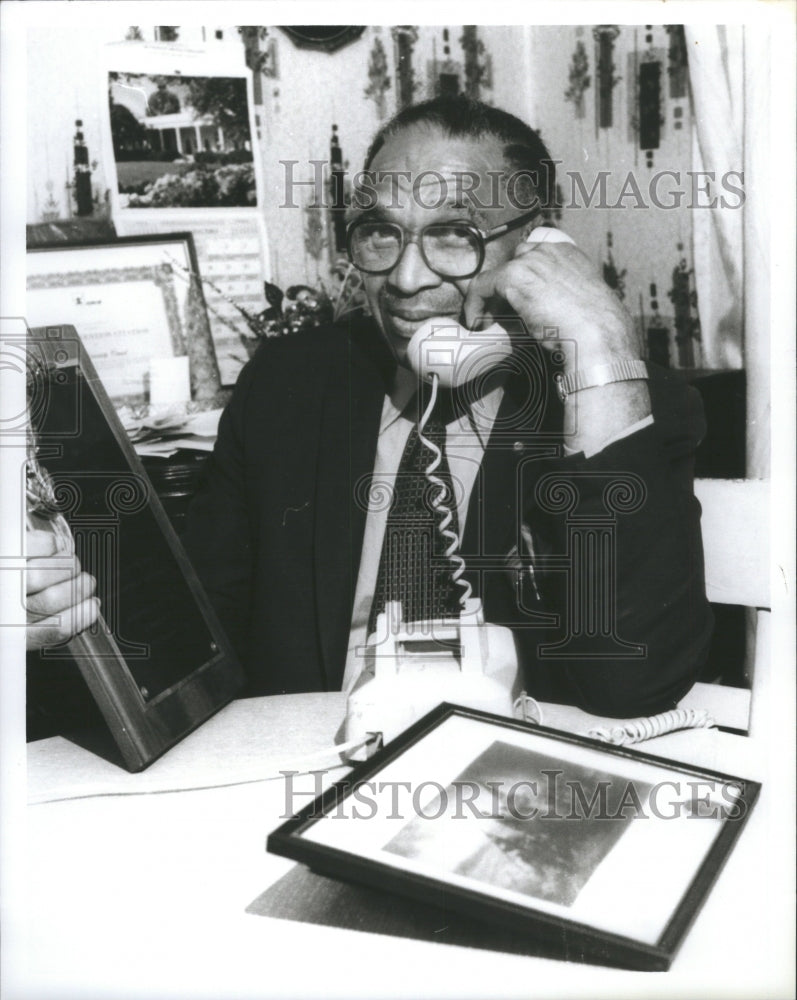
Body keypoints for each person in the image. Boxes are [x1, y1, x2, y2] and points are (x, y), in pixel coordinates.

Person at [26, 96, 713, 719]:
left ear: (534, 243)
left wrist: (597, 347)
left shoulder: (617, 403)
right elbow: (200, 640)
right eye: (381, 232)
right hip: (295, 764)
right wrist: (66, 620)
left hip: (512, 781)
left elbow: (634, 685)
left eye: (454, 236)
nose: (405, 280)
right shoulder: (289, 383)